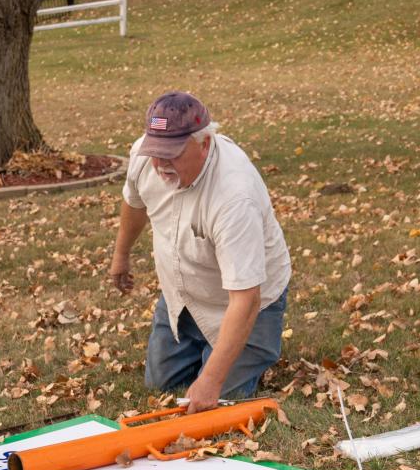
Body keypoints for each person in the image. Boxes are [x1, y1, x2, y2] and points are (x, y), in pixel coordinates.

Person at [109, 92, 291, 412]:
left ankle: (250, 348)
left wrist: (211, 380)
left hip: (243, 303)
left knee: (220, 398)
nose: (161, 163)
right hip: (182, 293)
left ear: (204, 143)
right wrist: (120, 256)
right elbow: (134, 202)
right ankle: (206, 348)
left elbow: (246, 299)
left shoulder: (234, 196)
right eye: (156, 152)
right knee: (161, 385)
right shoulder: (145, 155)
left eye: (173, 153)